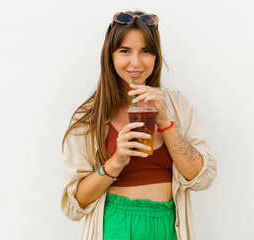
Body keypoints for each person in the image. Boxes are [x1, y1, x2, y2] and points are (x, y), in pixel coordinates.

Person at [61, 11, 217, 240]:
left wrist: (164, 121)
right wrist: (116, 162)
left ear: (156, 55)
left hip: (167, 227)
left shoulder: (177, 104)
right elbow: (75, 204)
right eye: (125, 51)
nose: (136, 62)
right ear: (110, 56)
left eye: (145, 51)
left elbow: (202, 177)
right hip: (115, 227)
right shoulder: (88, 117)